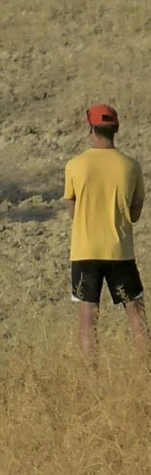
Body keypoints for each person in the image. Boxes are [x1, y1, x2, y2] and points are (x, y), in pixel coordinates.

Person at [64, 104, 146, 359]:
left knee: (88, 324)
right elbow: (134, 214)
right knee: (137, 317)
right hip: (119, 251)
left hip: (84, 251)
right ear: (117, 129)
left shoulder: (75, 165)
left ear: (90, 128)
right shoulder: (131, 166)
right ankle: (145, 375)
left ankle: (91, 380)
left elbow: (73, 210)